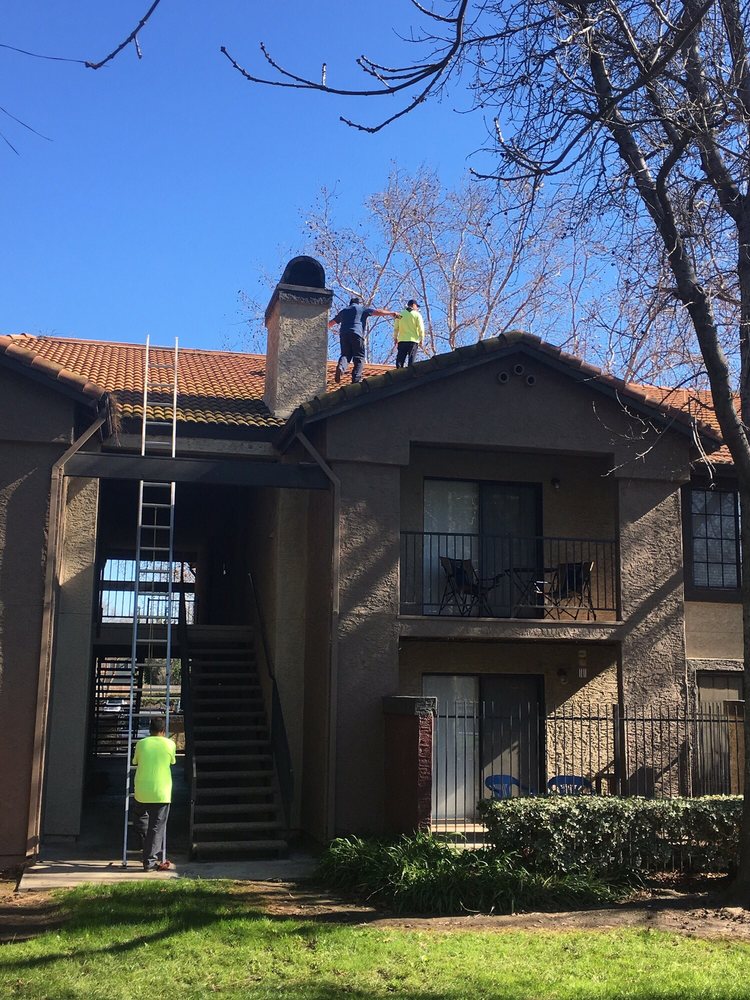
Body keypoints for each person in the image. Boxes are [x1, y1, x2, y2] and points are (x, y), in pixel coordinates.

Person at [132, 716, 176, 872]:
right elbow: (172, 762)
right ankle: (149, 861)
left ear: (149, 730)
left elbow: (135, 762)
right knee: (156, 827)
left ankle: (146, 849)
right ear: (163, 731)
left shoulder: (141, 744)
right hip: (162, 791)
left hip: (141, 790)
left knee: (140, 818)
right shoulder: (170, 744)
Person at [328, 296, 399, 384]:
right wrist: (390, 313)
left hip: (344, 335)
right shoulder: (361, 309)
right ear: (358, 303)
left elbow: (331, 323)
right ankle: (356, 380)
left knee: (346, 355)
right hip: (357, 334)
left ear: (350, 303)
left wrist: (321, 328)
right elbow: (377, 312)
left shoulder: (344, 311)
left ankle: (341, 367)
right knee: (359, 357)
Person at [394, 299, 425, 368]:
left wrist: (395, 338)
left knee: (400, 360)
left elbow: (396, 328)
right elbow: (421, 328)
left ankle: (398, 374)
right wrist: (421, 339)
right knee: (411, 360)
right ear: (414, 305)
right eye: (417, 307)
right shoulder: (417, 315)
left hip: (402, 340)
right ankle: (410, 374)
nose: (417, 308)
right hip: (413, 341)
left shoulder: (399, 315)